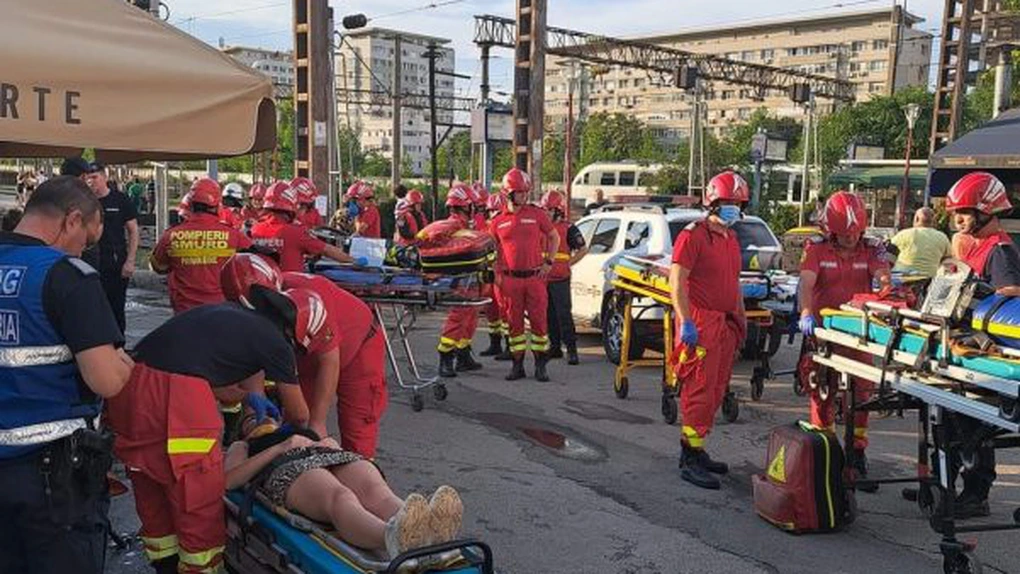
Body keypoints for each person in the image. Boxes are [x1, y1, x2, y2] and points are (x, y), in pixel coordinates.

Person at [104, 290, 321, 574]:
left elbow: (194, 371)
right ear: (296, 334)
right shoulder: (276, 342)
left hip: (131, 387)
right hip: (178, 405)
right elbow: (300, 413)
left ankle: (165, 565)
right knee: (197, 501)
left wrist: (246, 398)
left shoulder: (227, 315)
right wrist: (288, 437)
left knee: (151, 484)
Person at [0, 176, 134, 574]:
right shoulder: (65, 276)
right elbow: (106, 380)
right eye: (87, 240)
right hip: (52, 481)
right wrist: (120, 363)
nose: (85, 250)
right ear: (72, 220)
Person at [225, 413, 464, 560]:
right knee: (340, 496)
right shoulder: (244, 445)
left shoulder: (298, 429)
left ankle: (429, 530)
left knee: (377, 493)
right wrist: (279, 447)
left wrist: (330, 444)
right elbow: (229, 480)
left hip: (328, 455)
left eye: (269, 414)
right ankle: (391, 537)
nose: (262, 418)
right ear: (243, 428)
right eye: (251, 418)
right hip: (287, 465)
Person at [220, 253, 389, 458]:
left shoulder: (311, 297)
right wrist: (254, 414)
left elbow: (329, 360)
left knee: (357, 426)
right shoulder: (245, 311)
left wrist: (317, 422)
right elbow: (254, 357)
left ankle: (362, 475)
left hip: (358, 349)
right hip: (304, 354)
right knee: (297, 426)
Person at [798, 191, 891, 493]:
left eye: (855, 233)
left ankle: (857, 454)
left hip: (860, 335)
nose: (851, 239)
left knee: (861, 395)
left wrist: (888, 284)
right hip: (825, 333)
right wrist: (806, 312)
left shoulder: (872, 248)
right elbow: (806, 284)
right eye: (844, 235)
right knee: (822, 391)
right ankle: (825, 454)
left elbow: (884, 277)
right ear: (830, 231)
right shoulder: (816, 249)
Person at [944, 171, 1020, 518]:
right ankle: (944, 482)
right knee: (952, 421)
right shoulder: (977, 246)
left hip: (982, 354)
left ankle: (977, 493)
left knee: (974, 426)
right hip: (963, 350)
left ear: (986, 211)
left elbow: (1009, 299)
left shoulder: (1000, 251)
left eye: (964, 212)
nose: (957, 219)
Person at [668, 171, 748, 490]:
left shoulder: (730, 239)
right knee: (698, 388)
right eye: (729, 203)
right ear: (713, 202)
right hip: (700, 322)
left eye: (738, 204)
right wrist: (685, 320)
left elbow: (734, 283)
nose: (734, 210)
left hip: (725, 322)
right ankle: (688, 456)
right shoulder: (693, 235)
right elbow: (677, 281)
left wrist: (741, 318)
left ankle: (698, 448)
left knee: (716, 389)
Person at [490, 168, 560, 382]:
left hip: (535, 279)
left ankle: (541, 365)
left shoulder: (536, 213)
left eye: (525, 192)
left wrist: (549, 262)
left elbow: (554, 237)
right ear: (508, 193)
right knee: (514, 325)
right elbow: (491, 251)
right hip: (510, 281)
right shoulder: (497, 221)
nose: (524, 195)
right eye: (520, 192)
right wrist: (496, 275)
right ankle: (517, 365)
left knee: (539, 323)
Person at [150, 178, 252, 314]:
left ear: (190, 204)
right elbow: (252, 263)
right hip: (221, 313)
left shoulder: (171, 235)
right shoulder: (233, 235)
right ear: (217, 204)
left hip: (184, 314)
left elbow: (157, 266)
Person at [422, 185, 486, 378]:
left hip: (471, 279)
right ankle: (445, 357)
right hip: (459, 281)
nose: (475, 209)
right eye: (472, 206)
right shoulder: (451, 226)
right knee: (458, 318)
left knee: (470, 318)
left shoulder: (464, 226)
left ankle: (463, 353)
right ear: (465, 206)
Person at [251, 181, 355, 272]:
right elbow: (326, 250)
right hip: (291, 285)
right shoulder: (294, 232)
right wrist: (353, 260)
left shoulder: (254, 229)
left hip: (266, 286)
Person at [84, 162, 139, 334]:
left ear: (104, 177)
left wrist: (130, 261)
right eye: (88, 179)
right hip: (90, 260)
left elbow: (133, 230)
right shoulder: (85, 202)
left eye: (95, 177)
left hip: (115, 261)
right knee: (92, 307)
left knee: (116, 306)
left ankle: (118, 345)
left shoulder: (120, 199)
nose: (91, 182)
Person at [540, 190, 588, 365]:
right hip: (544, 278)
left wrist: (569, 263)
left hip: (560, 278)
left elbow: (583, 249)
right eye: (544, 209)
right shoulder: (541, 227)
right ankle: (554, 347)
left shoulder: (568, 229)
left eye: (549, 210)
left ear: (558, 210)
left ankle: (572, 349)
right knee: (548, 315)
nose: (546, 213)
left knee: (563, 314)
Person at [480, 192, 511, 359]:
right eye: (491, 211)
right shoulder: (484, 227)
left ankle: (509, 346)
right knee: (491, 311)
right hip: (487, 276)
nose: (494, 215)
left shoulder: (508, 225)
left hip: (502, 275)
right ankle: (495, 343)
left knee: (505, 311)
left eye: (497, 211)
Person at [889, 207, 951, 278]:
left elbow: (888, 253)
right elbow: (948, 260)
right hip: (930, 280)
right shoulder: (942, 237)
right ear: (933, 221)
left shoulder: (904, 234)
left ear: (916, 219)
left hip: (903, 279)